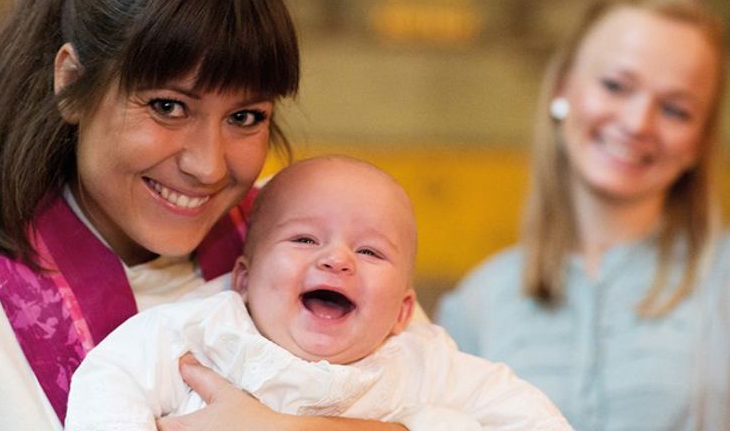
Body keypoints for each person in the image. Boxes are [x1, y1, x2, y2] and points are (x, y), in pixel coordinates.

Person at [0, 0, 417, 430]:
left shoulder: (299, 240)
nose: (207, 166)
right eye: (168, 106)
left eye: (245, 116)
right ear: (72, 81)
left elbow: (472, 402)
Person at [64, 155, 572, 431]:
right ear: (243, 278)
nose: (337, 259)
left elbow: (526, 415)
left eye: (370, 252)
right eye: (305, 239)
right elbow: (111, 378)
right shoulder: (203, 334)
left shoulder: (421, 363)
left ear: (403, 311)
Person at [435, 0, 728, 430]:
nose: (637, 123)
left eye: (676, 110)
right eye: (615, 85)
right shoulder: (476, 304)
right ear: (562, 88)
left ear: (700, 142)